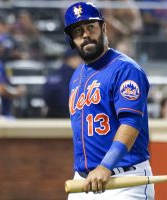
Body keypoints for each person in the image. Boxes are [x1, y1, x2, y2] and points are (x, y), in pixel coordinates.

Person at [64, 2, 154, 199]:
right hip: (84, 181)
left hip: (125, 180)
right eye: (78, 31)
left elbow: (131, 123)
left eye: (90, 27)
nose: (85, 35)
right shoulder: (77, 76)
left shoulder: (126, 69)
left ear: (103, 28)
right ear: (72, 40)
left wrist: (106, 165)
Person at [43, 48, 82, 118]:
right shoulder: (77, 75)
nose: (81, 61)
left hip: (53, 116)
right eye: (79, 58)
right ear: (71, 59)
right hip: (71, 116)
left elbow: (46, 98)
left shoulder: (54, 74)